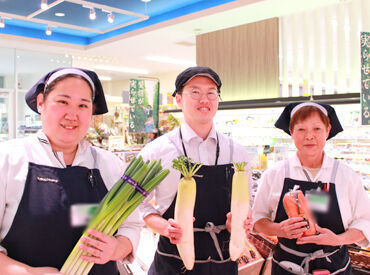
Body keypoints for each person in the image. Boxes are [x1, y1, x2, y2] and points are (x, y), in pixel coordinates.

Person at [0, 68, 142, 274]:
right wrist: (27, 272)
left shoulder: (109, 164)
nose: (72, 114)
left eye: (83, 105)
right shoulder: (9, 159)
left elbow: (132, 225)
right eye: (63, 102)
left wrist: (117, 248)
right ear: (41, 103)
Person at [139, 66, 253, 274]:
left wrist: (239, 220)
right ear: (179, 99)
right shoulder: (156, 151)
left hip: (223, 262)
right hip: (172, 262)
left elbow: (248, 202)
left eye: (211, 93)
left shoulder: (237, 152)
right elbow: (138, 205)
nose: (204, 99)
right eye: (195, 92)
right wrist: (163, 227)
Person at [252, 102, 370, 274]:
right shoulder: (274, 175)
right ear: (291, 132)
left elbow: (365, 222)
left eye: (317, 129)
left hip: (334, 267)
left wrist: (338, 239)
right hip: (287, 266)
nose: (309, 136)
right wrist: (279, 230)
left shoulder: (346, 176)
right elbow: (258, 219)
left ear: (328, 130)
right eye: (301, 130)